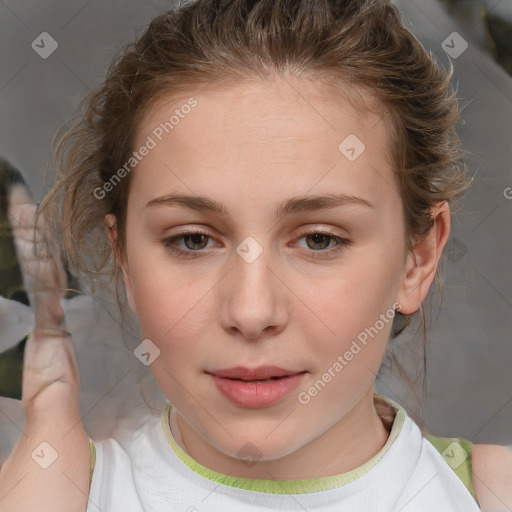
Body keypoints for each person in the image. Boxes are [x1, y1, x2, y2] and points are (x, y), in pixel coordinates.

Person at [0, 0, 511, 510]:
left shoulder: (494, 492)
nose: (251, 312)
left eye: (319, 239)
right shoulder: (55, 493)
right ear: (126, 260)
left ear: (416, 260)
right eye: (193, 240)